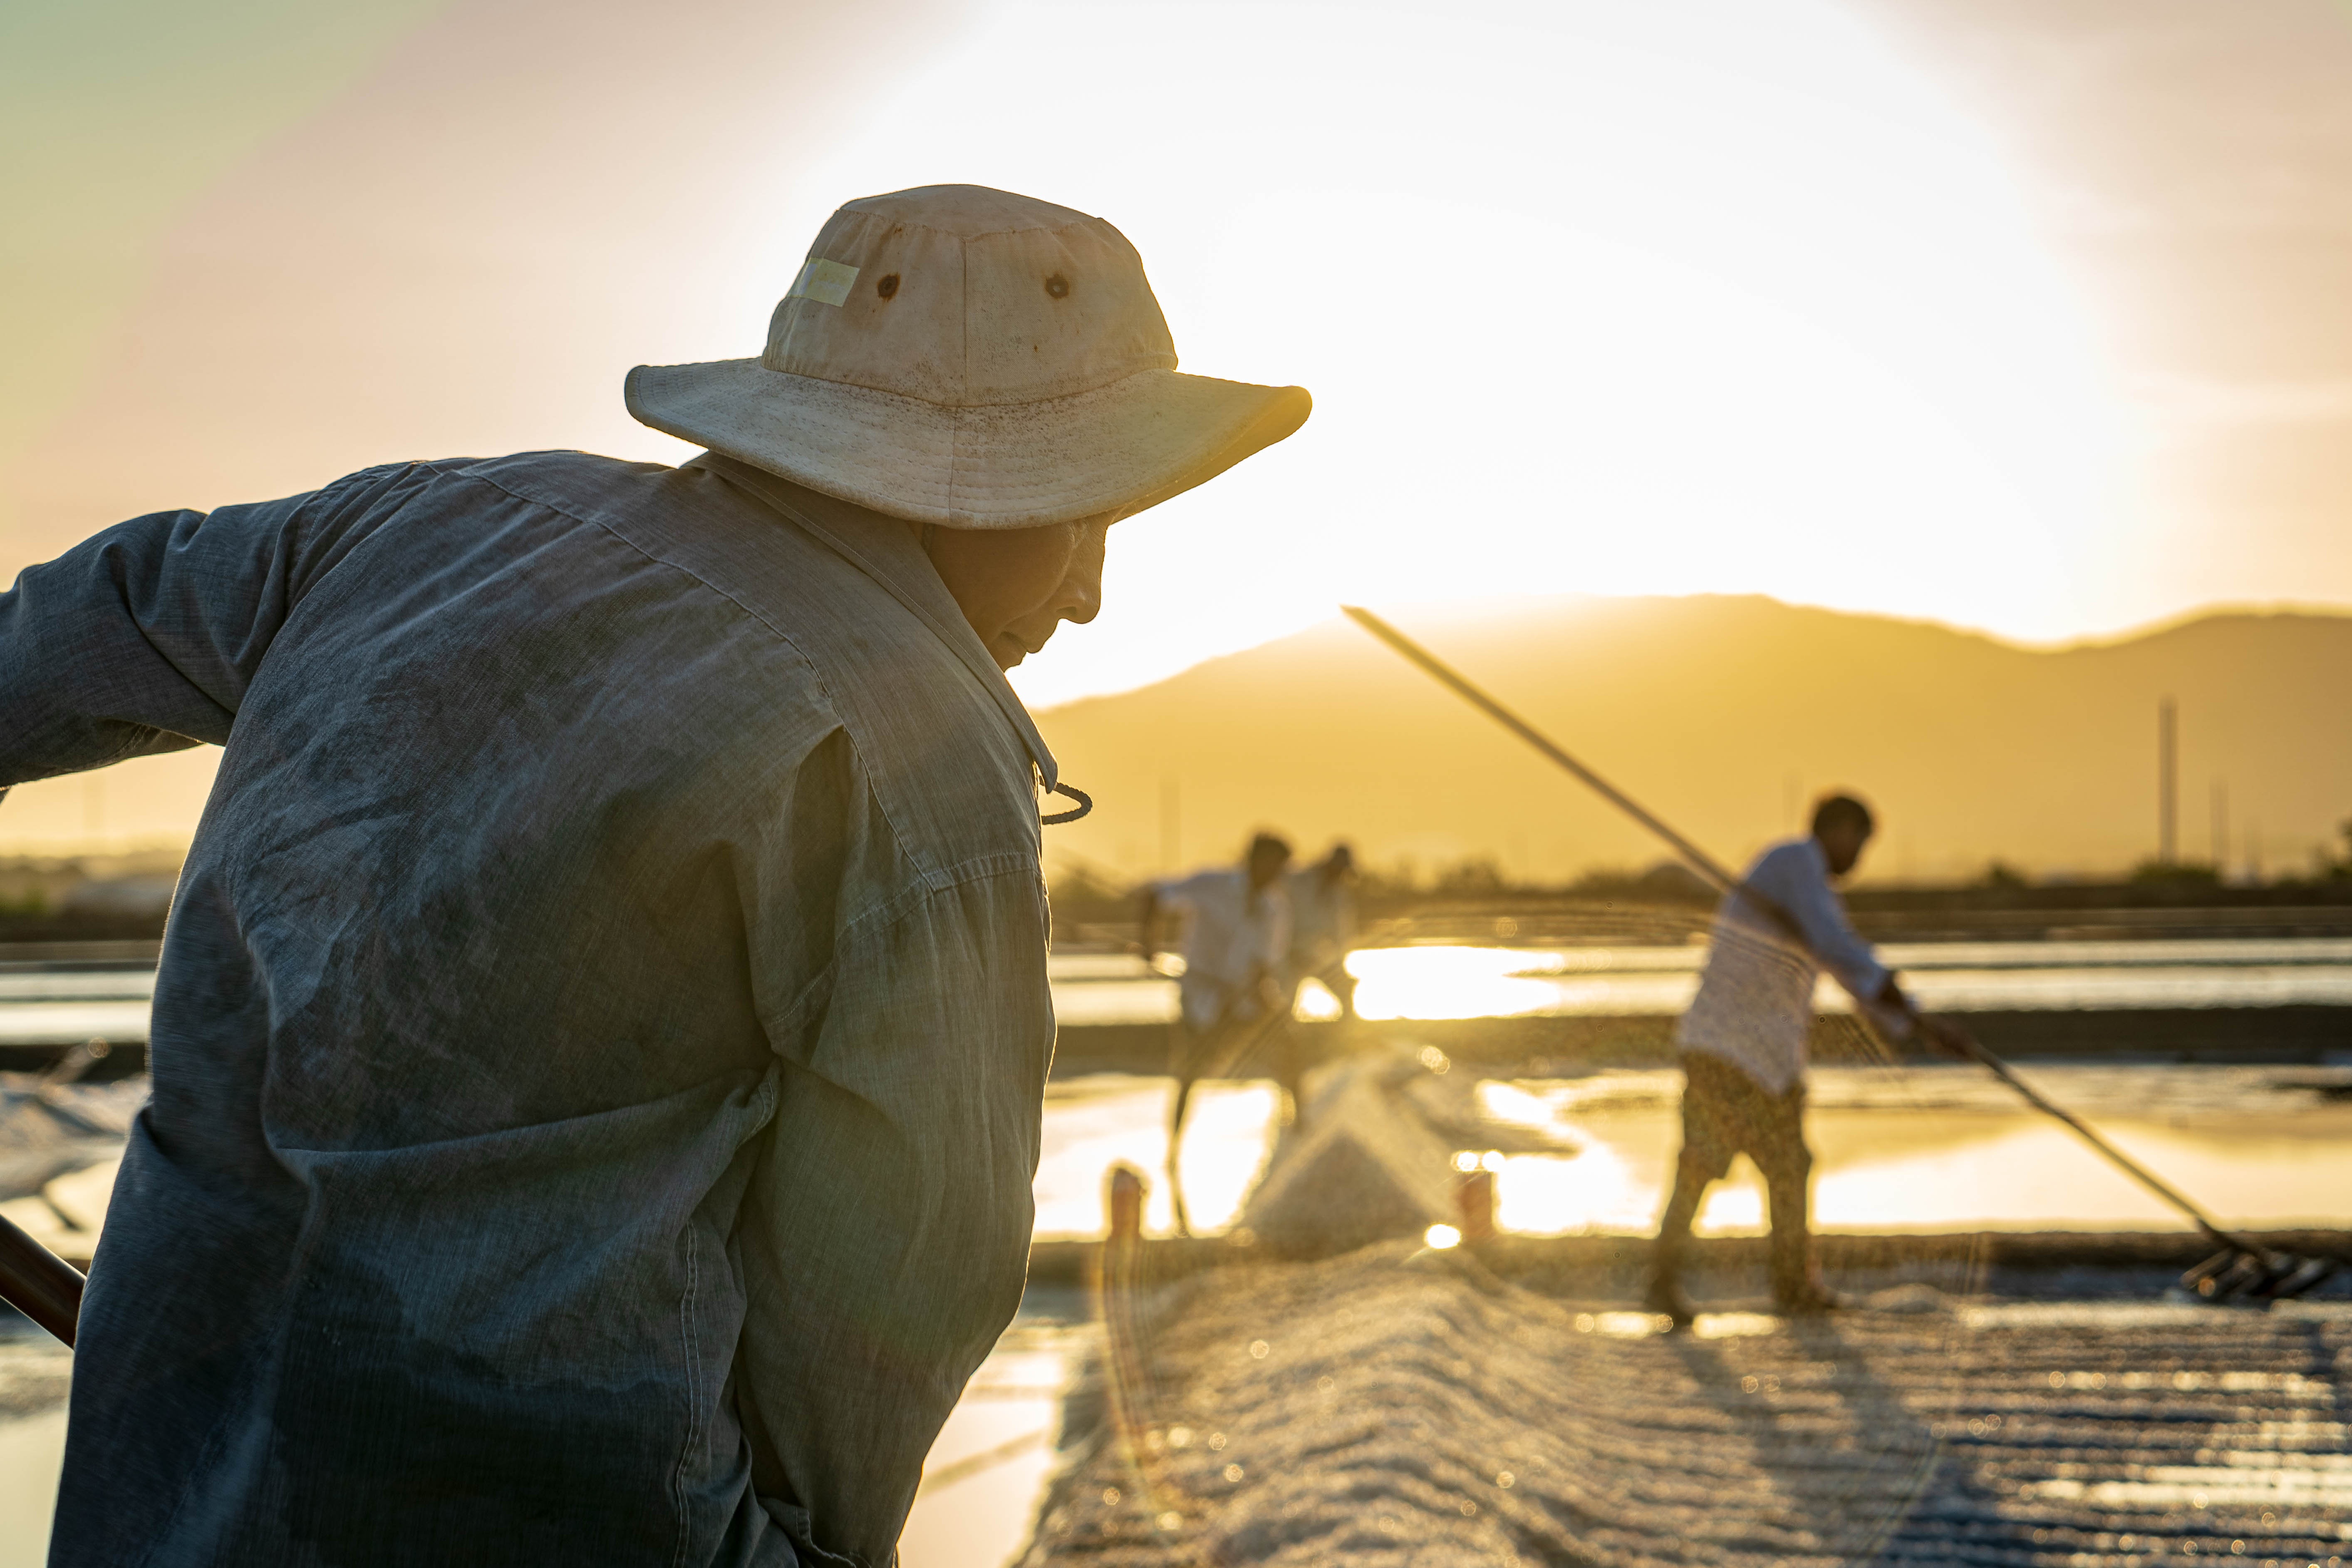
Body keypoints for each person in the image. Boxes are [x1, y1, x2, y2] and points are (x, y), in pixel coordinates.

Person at [0, 184, 1307, 1566]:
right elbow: (896, 1291)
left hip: (163, 1489)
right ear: (947, 494)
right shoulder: (916, 759)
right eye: (1085, 514)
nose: (1093, 589)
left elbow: (93, 618)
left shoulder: (424, 525)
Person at [1645, 793, 1958, 1326]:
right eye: (1858, 842)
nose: (1859, 856)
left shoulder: (1811, 886)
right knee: (1702, 1164)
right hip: (1727, 1047)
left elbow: (1844, 966)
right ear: (1836, 830)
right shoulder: (1792, 864)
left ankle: (1791, 1286)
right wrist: (1912, 1013)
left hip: (1770, 1056)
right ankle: (1663, 1282)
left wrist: (1913, 1025)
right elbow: (1835, 946)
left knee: (1789, 1166)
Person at [1140, 832, 1293, 1230]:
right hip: (1199, 997)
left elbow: (1264, 965)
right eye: (1271, 864)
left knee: (1288, 1049)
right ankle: (1172, 1150)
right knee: (1189, 1073)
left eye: (1281, 867)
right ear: (1254, 859)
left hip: (1238, 1002)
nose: (1275, 873)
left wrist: (1267, 1001)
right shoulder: (1212, 886)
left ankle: (1296, 1127)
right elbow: (1155, 896)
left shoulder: (1272, 907)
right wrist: (1148, 943)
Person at [1285, 841, 1361, 1019]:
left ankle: (1347, 1033)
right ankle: (1283, 1035)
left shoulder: (1339, 895)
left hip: (1315, 955)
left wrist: (1340, 968)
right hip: (1287, 954)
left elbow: (1341, 935)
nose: (1341, 874)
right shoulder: (1298, 881)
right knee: (1284, 1000)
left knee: (1345, 990)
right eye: (1339, 869)